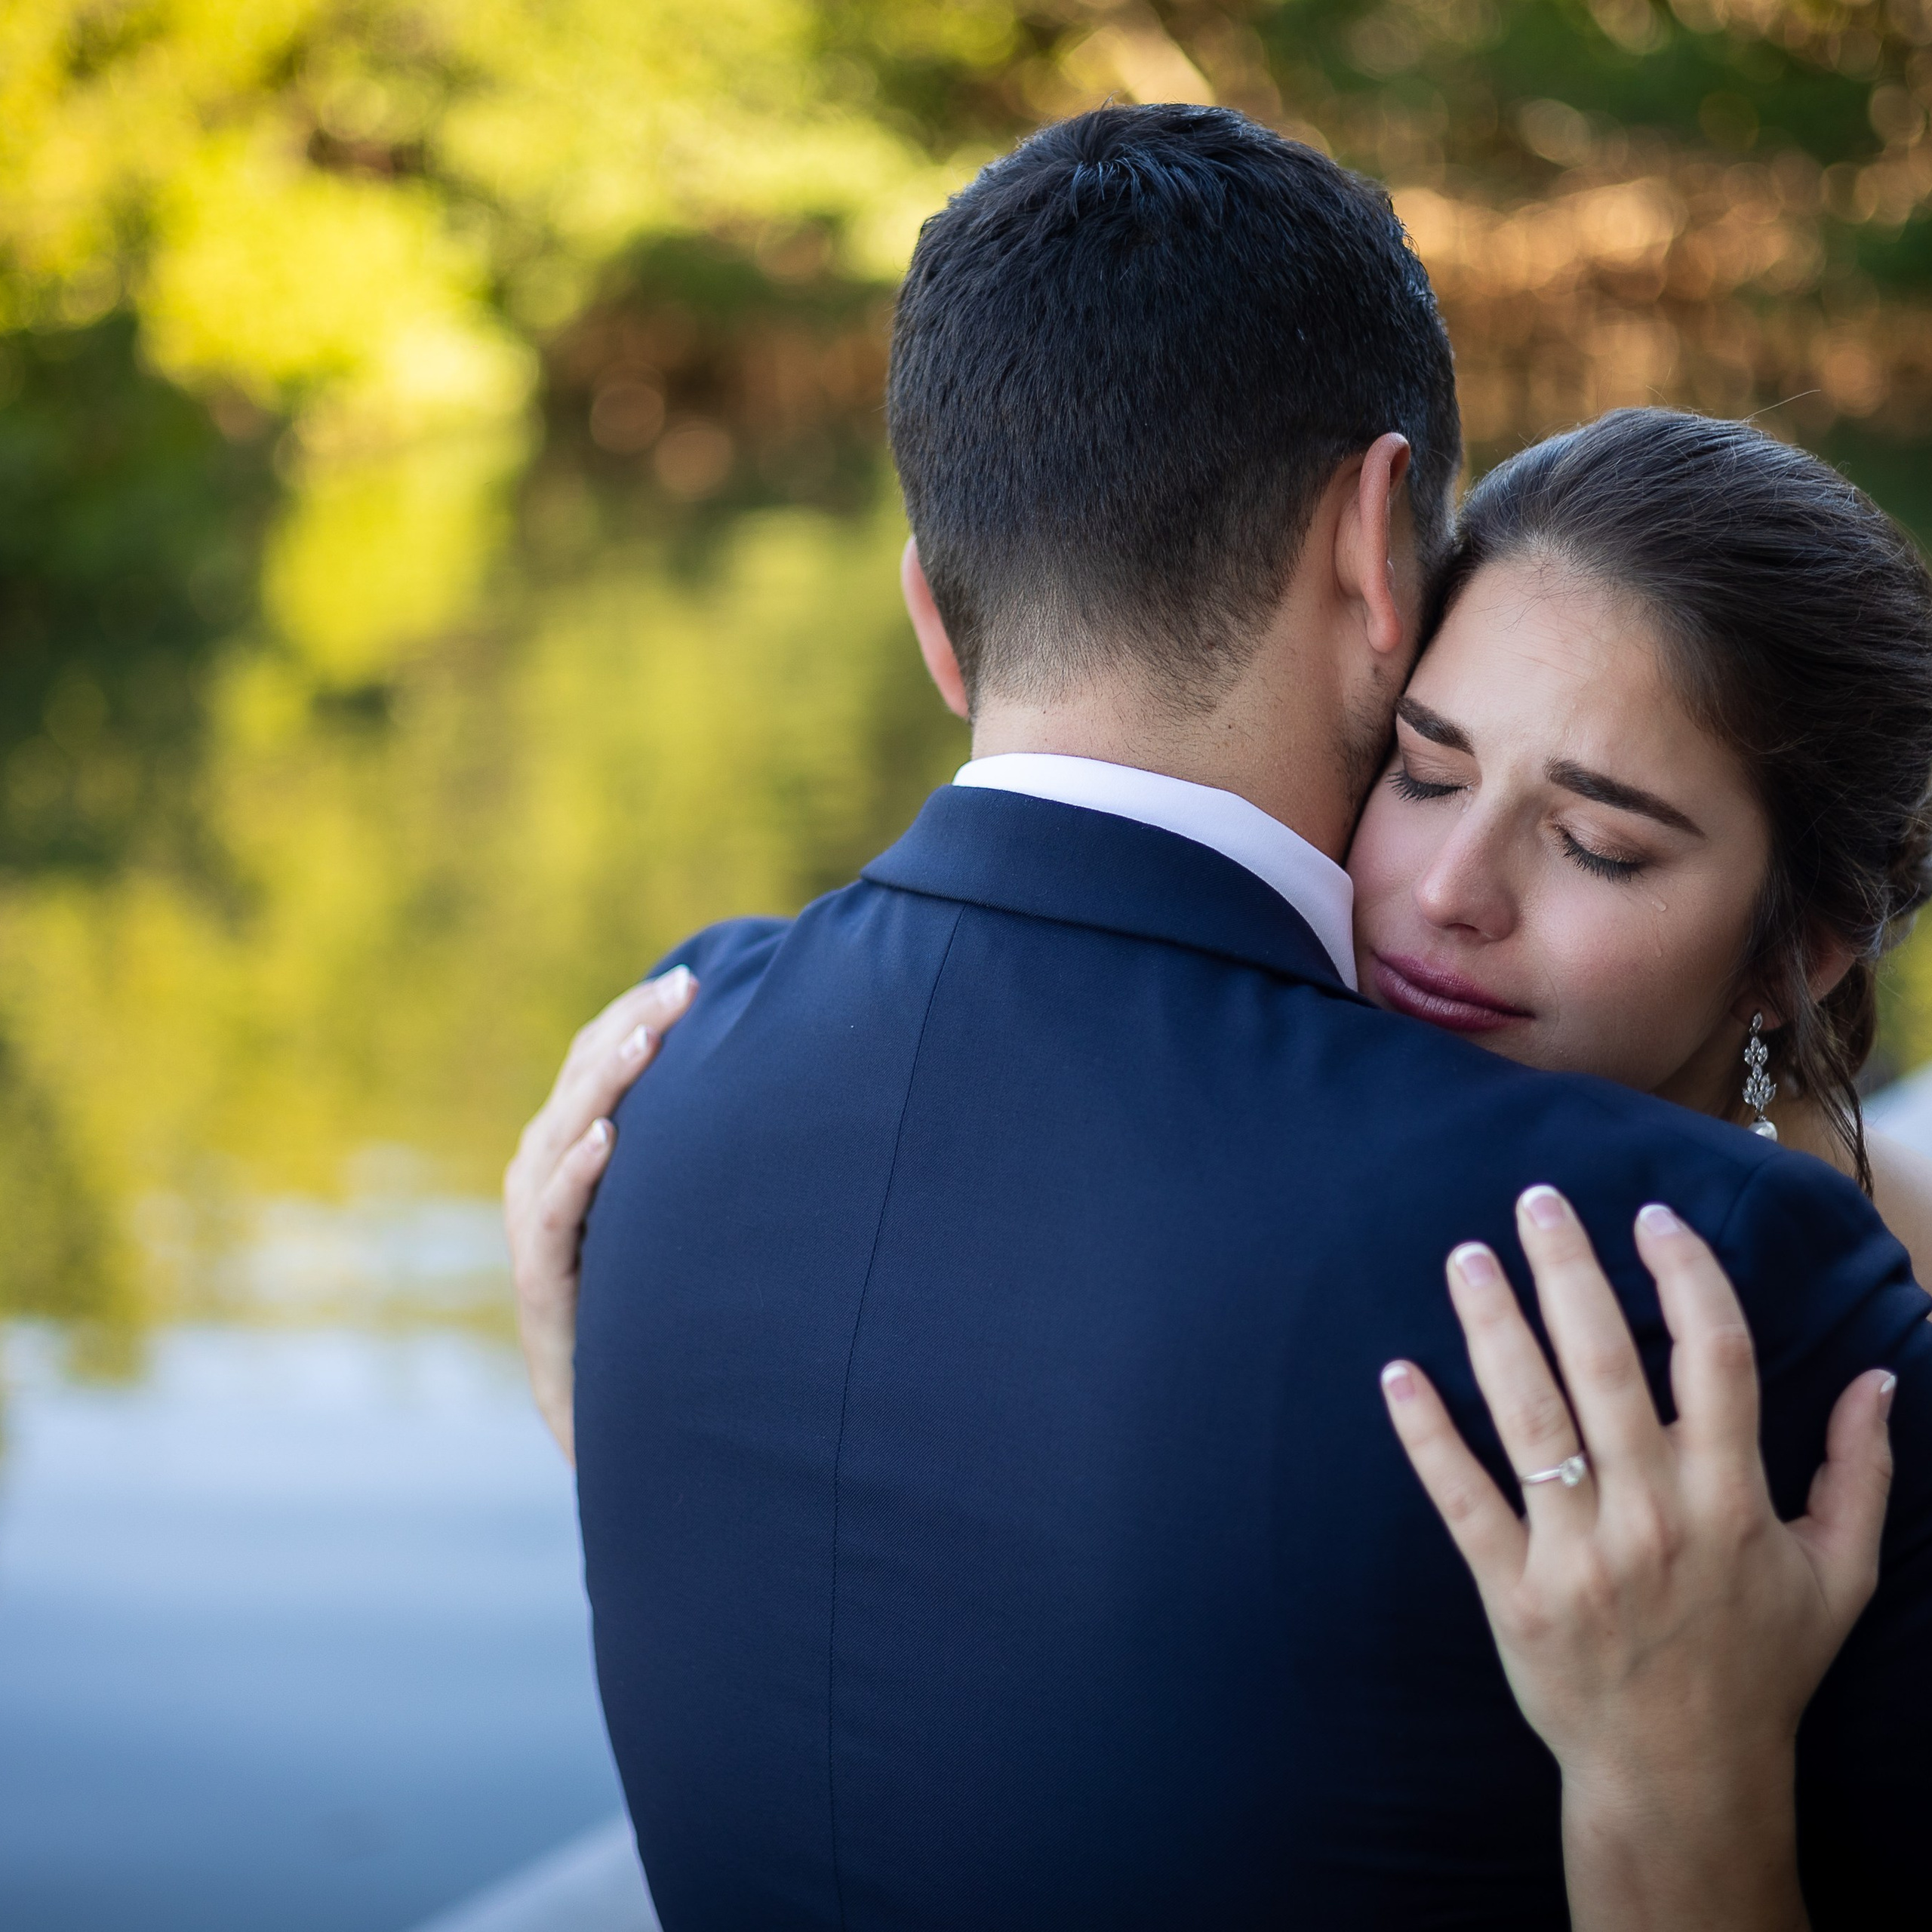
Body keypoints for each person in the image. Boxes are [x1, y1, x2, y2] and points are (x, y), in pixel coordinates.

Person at [507, 106, 1932, 1927]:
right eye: (1425, 764)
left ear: (934, 617)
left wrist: (623, 1403)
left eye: (1595, 838)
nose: (1446, 889)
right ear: (1374, 558)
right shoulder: (1710, 1283)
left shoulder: (660, 1075)